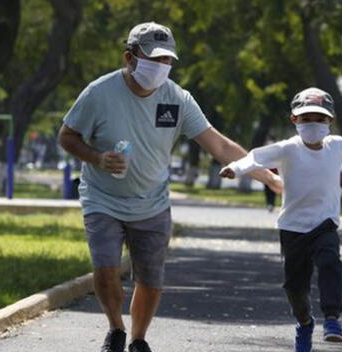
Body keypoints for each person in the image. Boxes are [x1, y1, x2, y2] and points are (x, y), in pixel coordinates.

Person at [58, 22, 281, 352]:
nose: (161, 67)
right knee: (106, 270)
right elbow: (66, 136)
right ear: (130, 58)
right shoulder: (99, 93)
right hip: (103, 198)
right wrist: (97, 157)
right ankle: (116, 330)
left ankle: (138, 339)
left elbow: (219, 146)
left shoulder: (177, 99)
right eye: (153, 59)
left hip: (153, 203)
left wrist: (268, 176)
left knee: (150, 281)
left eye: (167, 61)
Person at [219, 87, 342, 352]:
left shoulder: (337, 146)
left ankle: (332, 320)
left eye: (319, 119)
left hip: (325, 224)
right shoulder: (287, 149)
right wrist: (234, 168)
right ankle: (305, 323)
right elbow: (255, 157)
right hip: (292, 228)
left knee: (330, 262)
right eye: (306, 119)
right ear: (294, 121)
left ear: (329, 121)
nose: (313, 125)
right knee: (295, 287)